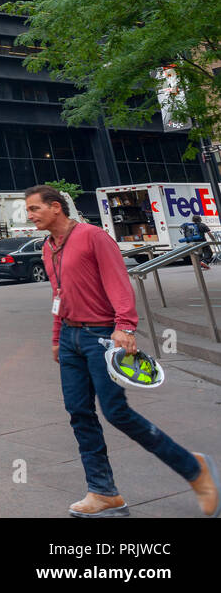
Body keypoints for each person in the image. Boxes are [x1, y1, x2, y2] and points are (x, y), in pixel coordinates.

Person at [25, 183, 217, 518]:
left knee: (116, 412)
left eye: (34, 208)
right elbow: (60, 294)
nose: (30, 216)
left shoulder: (93, 237)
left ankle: (195, 470)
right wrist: (57, 337)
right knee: (79, 412)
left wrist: (125, 326)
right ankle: (103, 493)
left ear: (56, 207)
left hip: (100, 336)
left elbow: (118, 282)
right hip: (70, 338)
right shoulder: (48, 247)